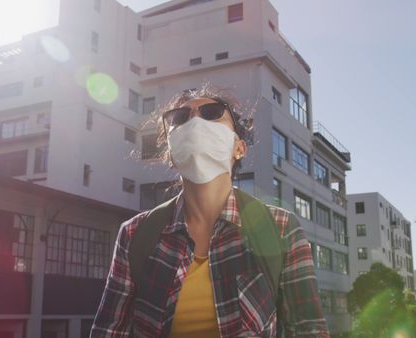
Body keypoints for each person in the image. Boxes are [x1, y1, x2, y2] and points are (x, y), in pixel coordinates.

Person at [90, 85, 330, 338]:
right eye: (179, 117)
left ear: (239, 148)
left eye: (212, 113)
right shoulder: (135, 233)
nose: (194, 121)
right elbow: (108, 330)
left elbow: (309, 329)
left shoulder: (281, 227)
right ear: (171, 152)